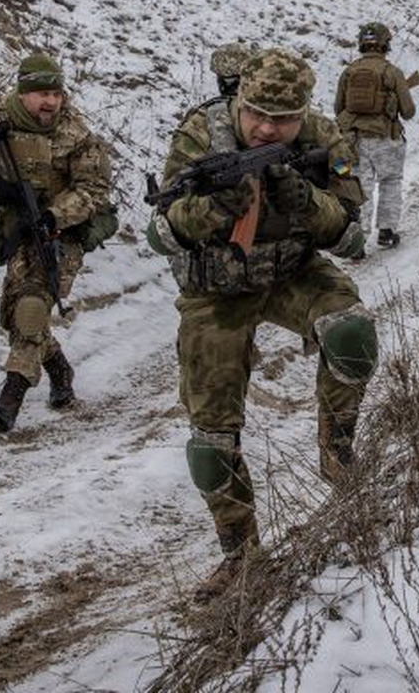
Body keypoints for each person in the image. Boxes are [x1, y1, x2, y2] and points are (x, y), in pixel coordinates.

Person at [147, 48, 376, 594]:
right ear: (239, 103)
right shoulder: (203, 134)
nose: (267, 129)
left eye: (284, 119)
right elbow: (161, 233)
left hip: (292, 272)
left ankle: (337, 453)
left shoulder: (322, 137)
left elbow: (351, 239)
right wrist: (213, 209)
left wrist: (307, 202)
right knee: (211, 442)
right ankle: (241, 556)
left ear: (304, 113)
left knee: (350, 333)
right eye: (255, 114)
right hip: (216, 289)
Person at [0, 52, 119, 433]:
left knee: (31, 307)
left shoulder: (75, 133)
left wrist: (55, 215)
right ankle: (59, 368)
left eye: (56, 94)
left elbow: (94, 190)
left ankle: (10, 398)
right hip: (19, 232)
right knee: (14, 317)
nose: (51, 102)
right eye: (43, 94)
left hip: (63, 234)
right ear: (23, 92)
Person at [334, 21, 417, 253]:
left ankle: (358, 242)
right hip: (386, 138)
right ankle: (387, 232)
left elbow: (338, 108)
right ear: (385, 44)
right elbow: (408, 111)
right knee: (390, 182)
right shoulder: (392, 72)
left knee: (360, 188)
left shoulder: (349, 71)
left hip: (354, 140)